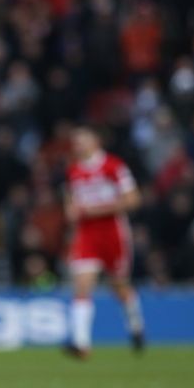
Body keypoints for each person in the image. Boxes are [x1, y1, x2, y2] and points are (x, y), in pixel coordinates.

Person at [63, 126, 145, 359]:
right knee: (81, 285)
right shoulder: (73, 170)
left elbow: (133, 200)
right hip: (86, 235)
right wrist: (71, 211)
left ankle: (135, 325)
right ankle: (81, 343)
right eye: (75, 142)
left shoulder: (113, 166)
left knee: (119, 285)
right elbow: (71, 200)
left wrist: (95, 210)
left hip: (113, 233)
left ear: (95, 142)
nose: (77, 146)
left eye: (82, 141)